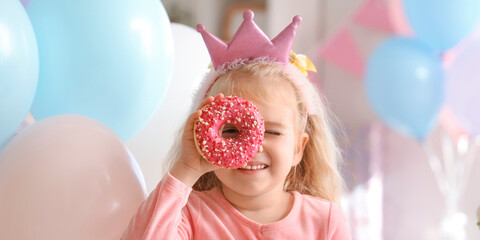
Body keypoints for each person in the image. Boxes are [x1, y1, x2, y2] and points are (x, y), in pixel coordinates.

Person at [122, 9, 351, 240]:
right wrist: (186, 169)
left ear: (297, 149)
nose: (254, 146)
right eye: (231, 131)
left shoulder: (325, 221)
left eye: (271, 131)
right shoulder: (189, 214)